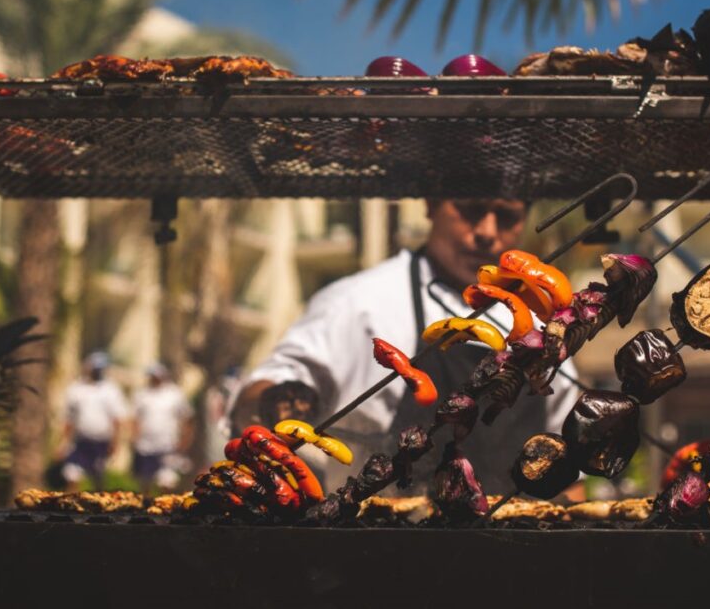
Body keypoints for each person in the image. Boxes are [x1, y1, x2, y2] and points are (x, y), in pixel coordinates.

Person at [230, 199, 580, 493]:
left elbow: (568, 459)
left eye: (505, 217)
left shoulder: (542, 326)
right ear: (430, 206)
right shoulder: (360, 301)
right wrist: (275, 405)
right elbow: (265, 390)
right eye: (471, 210)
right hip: (381, 539)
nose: (488, 232)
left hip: (514, 543)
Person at [58, 351, 129, 491]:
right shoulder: (76, 389)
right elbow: (69, 419)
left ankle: (99, 508)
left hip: (101, 442)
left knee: (98, 476)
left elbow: (117, 419)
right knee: (72, 475)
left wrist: (115, 443)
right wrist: (63, 442)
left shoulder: (111, 390)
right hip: (80, 441)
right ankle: (70, 506)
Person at [131, 362, 194, 493]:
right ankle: (145, 510)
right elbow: (136, 418)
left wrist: (185, 441)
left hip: (168, 445)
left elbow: (187, 418)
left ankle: (166, 510)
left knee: (167, 482)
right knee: (145, 482)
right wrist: (134, 438)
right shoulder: (142, 394)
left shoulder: (174, 394)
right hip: (146, 446)